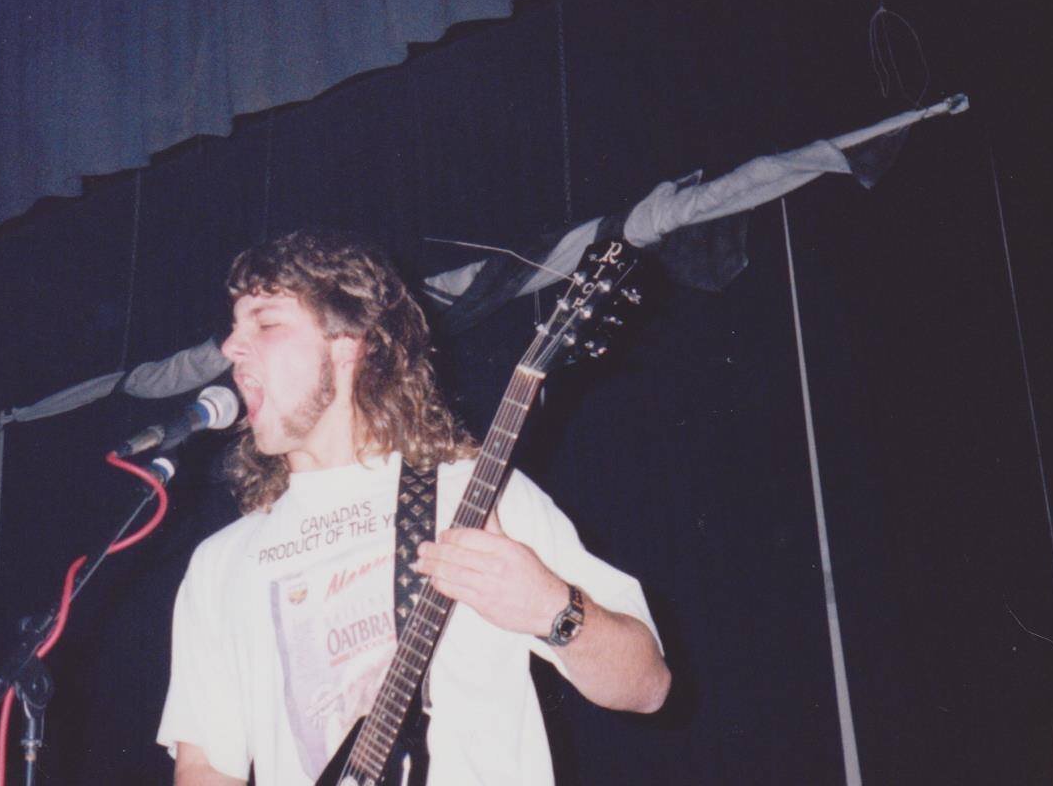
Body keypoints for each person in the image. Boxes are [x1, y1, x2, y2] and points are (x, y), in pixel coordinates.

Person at [156, 230, 670, 786]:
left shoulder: (475, 493)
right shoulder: (221, 562)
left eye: (265, 323)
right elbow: (205, 765)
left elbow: (647, 686)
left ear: (347, 342)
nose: (231, 347)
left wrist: (551, 607)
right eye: (233, 328)